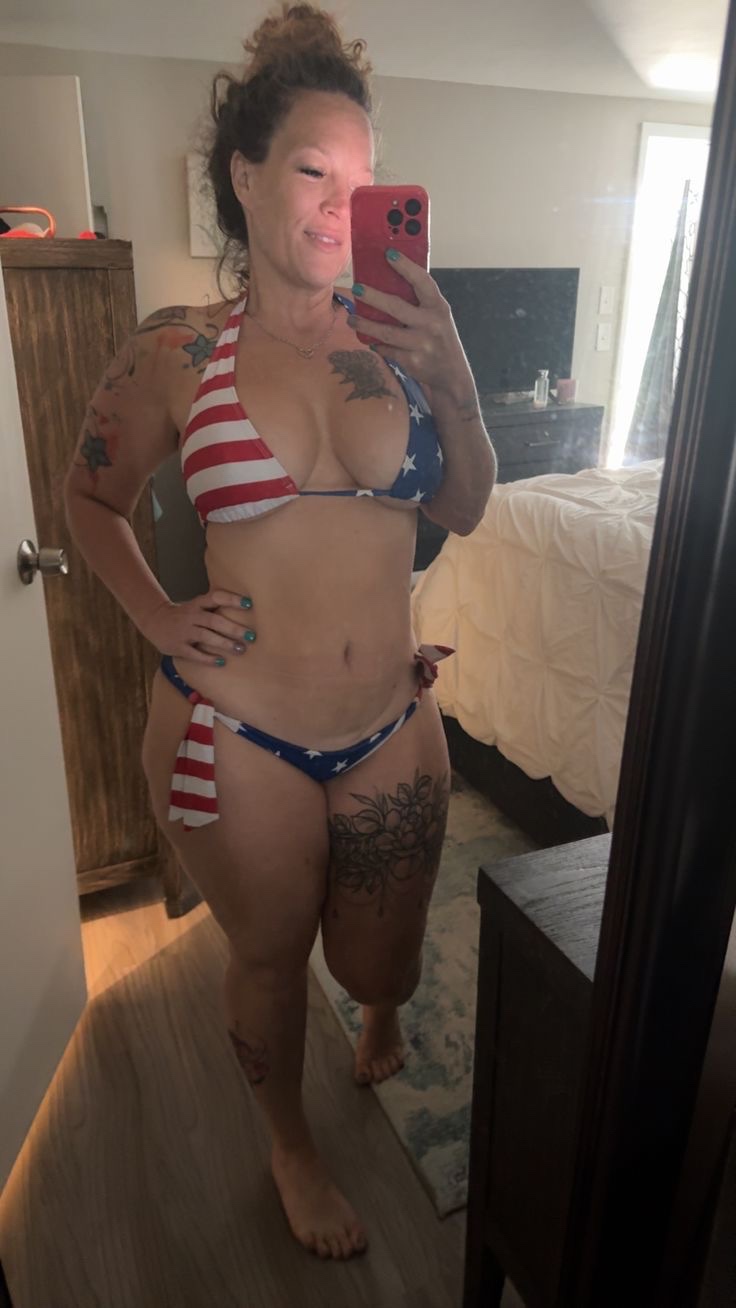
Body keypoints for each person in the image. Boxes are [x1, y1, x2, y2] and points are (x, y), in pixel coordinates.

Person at [64, 0, 496, 1263]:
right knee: (265, 956)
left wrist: (456, 382)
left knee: (386, 959)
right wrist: (156, 613)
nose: (338, 203)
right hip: (235, 732)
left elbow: (464, 507)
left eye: (364, 178)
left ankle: (380, 1011)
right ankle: (290, 1146)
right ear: (244, 176)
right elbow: (87, 500)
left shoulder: (406, 342)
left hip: (388, 721)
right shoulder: (176, 351)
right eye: (314, 170)